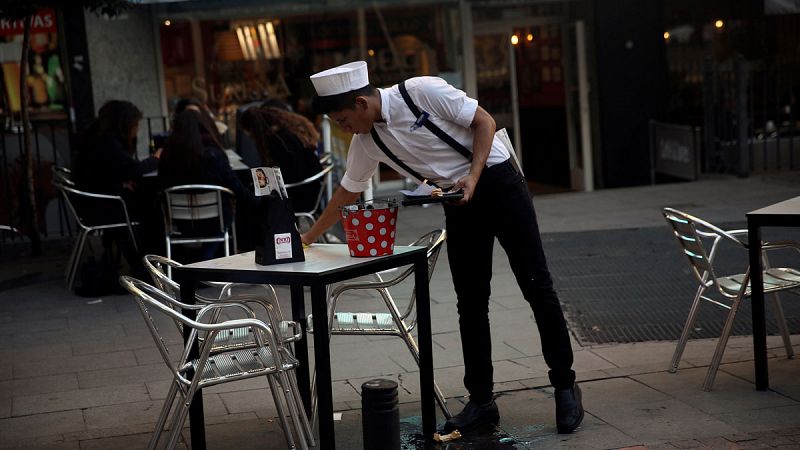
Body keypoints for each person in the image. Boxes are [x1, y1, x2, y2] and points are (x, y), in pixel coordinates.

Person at [300, 61, 583, 435]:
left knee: (536, 286)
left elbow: (485, 122)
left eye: (343, 120)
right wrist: (307, 238)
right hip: (459, 203)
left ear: (361, 103)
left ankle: (565, 384)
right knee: (470, 302)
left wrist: (473, 176)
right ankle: (482, 401)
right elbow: (347, 192)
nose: (344, 129)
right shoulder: (367, 141)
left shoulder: (421, 92)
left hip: (499, 184)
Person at [158, 109, 252, 260]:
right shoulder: (214, 155)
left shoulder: (167, 156)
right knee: (229, 209)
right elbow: (236, 188)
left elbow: (161, 187)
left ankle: (199, 260)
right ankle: (206, 258)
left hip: (180, 223)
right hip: (215, 221)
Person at [238, 105, 324, 213]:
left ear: (252, 129)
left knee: (250, 196)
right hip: (310, 187)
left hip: (302, 193)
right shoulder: (281, 134)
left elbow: (292, 173)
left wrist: (258, 179)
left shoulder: (276, 141)